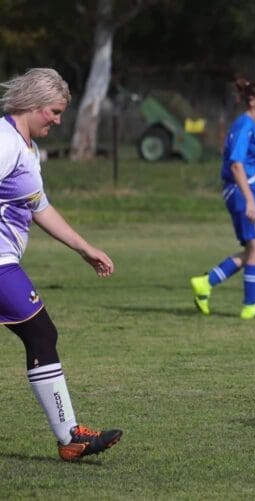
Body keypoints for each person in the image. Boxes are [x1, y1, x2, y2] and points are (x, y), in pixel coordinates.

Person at [0, 68, 122, 461]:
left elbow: (40, 207)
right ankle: (71, 436)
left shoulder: (25, 146)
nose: (57, 119)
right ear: (33, 106)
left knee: (40, 335)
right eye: (53, 111)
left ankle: (71, 435)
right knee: (41, 333)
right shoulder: (5, 143)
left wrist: (85, 248)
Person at [191, 79, 255, 319]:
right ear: (252, 100)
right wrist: (250, 200)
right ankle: (250, 306)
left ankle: (206, 282)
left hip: (251, 192)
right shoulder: (244, 126)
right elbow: (236, 165)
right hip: (240, 191)